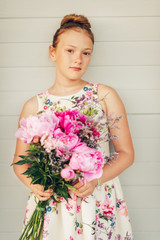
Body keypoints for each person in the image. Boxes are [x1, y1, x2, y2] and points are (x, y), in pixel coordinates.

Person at [13, 13, 134, 240]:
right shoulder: (34, 105)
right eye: (70, 50)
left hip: (97, 199)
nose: (78, 59)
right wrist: (36, 185)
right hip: (53, 205)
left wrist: (95, 179)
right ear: (52, 53)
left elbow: (126, 154)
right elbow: (20, 162)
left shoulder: (104, 95)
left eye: (86, 53)